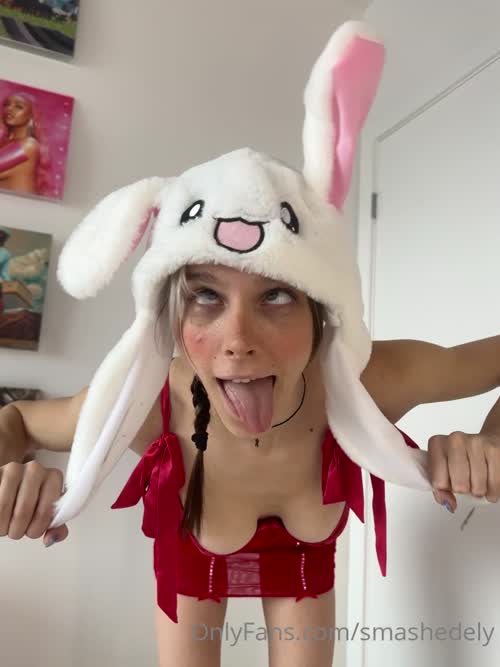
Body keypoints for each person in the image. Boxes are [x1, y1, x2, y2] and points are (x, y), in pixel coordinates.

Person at [1, 21, 500, 667]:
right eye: (206, 296)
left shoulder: (369, 382)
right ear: (169, 313)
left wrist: (491, 444)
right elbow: (16, 420)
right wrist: (11, 482)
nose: (237, 340)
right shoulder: (144, 402)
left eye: (277, 295)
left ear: (322, 308)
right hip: (192, 564)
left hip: (303, 565)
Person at [0, 93, 41, 195]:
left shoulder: (29, 145)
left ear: (31, 115)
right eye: (7, 104)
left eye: (18, 107)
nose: (9, 109)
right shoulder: (5, 143)